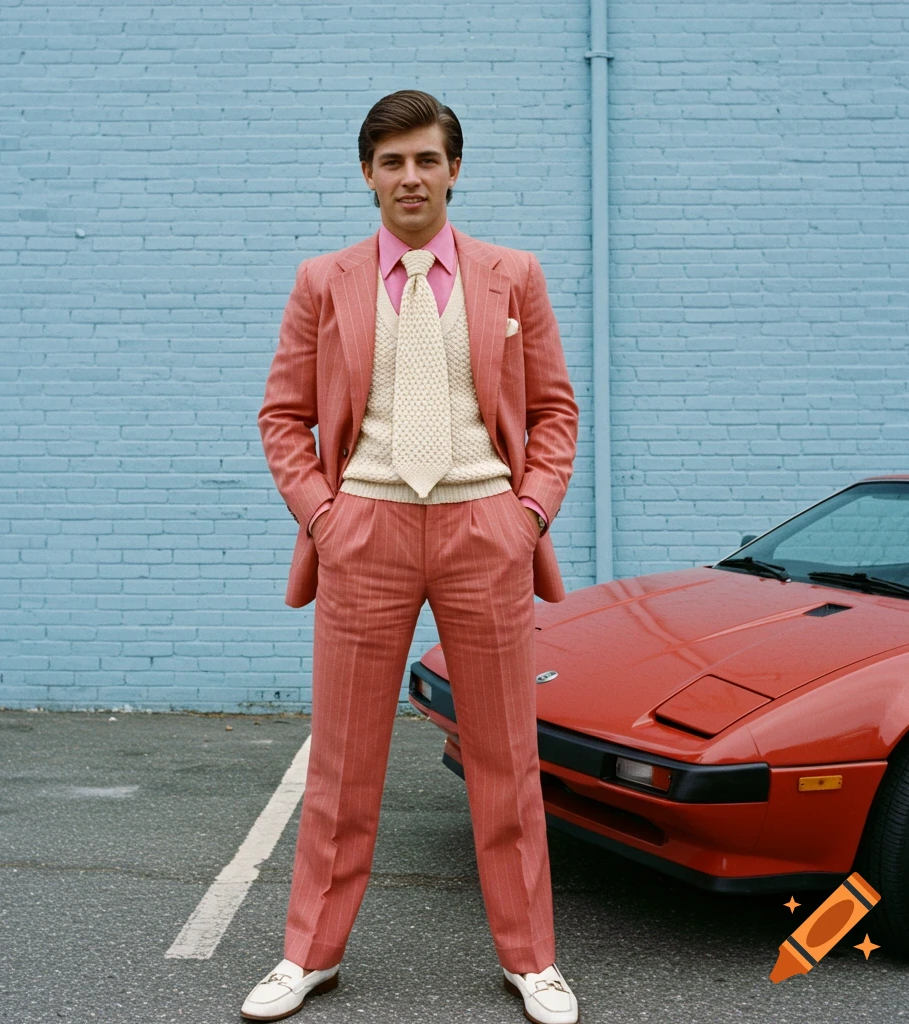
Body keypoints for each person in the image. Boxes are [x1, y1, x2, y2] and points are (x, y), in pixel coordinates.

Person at [247, 89, 580, 1024]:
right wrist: (324, 517)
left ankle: (532, 959)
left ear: (454, 169)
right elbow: (283, 416)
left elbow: (555, 411)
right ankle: (308, 955)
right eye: (392, 162)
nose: (410, 178)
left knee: (506, 759)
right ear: (367, 174)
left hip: (484, 529)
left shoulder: (513, 275)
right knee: (344, 762)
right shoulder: (326, 279)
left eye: (427, 160)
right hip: (367, 532)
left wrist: (527, 515)